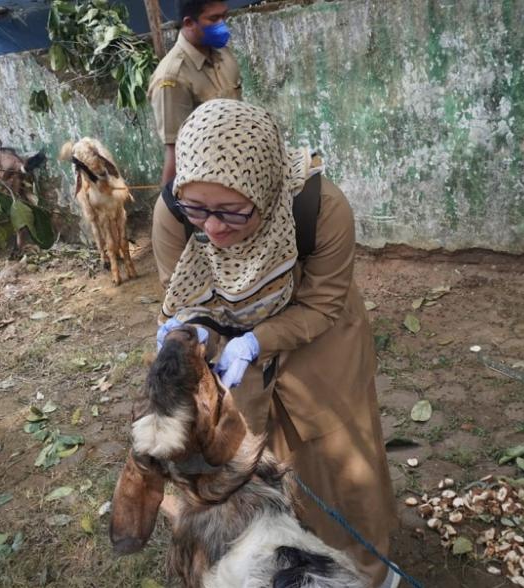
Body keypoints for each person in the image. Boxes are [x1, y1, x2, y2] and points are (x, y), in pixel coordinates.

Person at [151, 99, 400, 587]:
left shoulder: (320, 207)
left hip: (322, 350)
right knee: (265, 476)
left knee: (343, 472)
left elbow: (323, 304)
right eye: (197, 209)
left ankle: (368, 571)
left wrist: (256, 340)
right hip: (236, 364)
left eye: (232, 212)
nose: (213, 228)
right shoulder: (172, 214)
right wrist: (196, 329)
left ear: (264, 192)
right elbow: (180, 294)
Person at [148, 0, 242, 185]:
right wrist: (171, 209)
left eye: (224, 16)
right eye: (214, 18)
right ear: (189, 23)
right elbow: (175, 152)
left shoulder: (223, 55)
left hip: (240, 169)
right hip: (210, 182)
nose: (222, 25)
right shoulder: (172, 77)